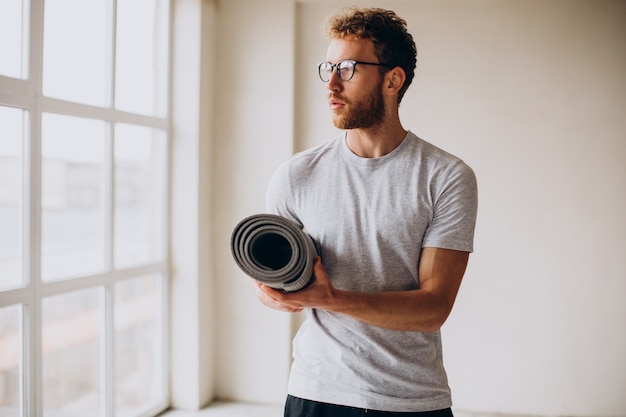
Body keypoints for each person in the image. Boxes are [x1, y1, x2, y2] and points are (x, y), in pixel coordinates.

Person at [255, 6, 478, 417]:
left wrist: (332, 298)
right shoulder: (296, 175)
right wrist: (279, 296)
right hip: (315, 391)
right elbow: (279, 284)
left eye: (348, 68)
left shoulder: (447, 177)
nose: (332, 84)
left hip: (411, 399)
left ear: (393, 79)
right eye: (328, 68)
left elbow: (434, 308)